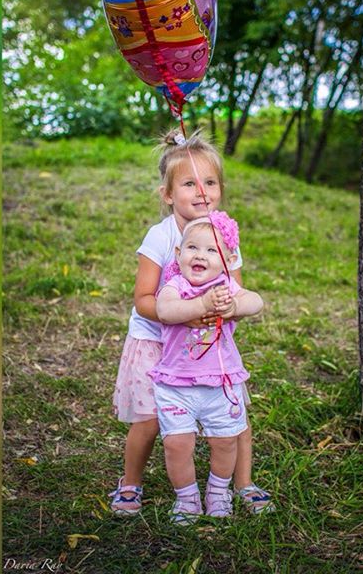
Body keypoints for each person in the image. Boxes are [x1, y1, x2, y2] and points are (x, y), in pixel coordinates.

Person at [110, 130, 274, 516]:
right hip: (155, 342)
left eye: (210, 182)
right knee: (150, 418)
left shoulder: (225, 236)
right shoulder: (160, 236)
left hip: (209, 347)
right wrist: (187, 313)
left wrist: (229, 308)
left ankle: (243, 483)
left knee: (235, 416)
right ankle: (131, 483)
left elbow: (236, 291)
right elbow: (143, 300)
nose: (202, 192)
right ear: (168, 195)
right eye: (189, 184)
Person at [151, 212, 264, 523]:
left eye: (212, 250)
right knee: (176, 444)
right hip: (176, 383)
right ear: (179, 254)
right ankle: (187, 498)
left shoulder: (226, 286)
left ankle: (217, 492)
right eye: (192, 248)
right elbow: (165, 310)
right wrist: (202, 304)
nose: (200, 255)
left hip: (220, 384)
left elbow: (256, 301)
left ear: (228, 260)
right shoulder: (175, 285)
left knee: (225, 442)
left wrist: (235, 306)